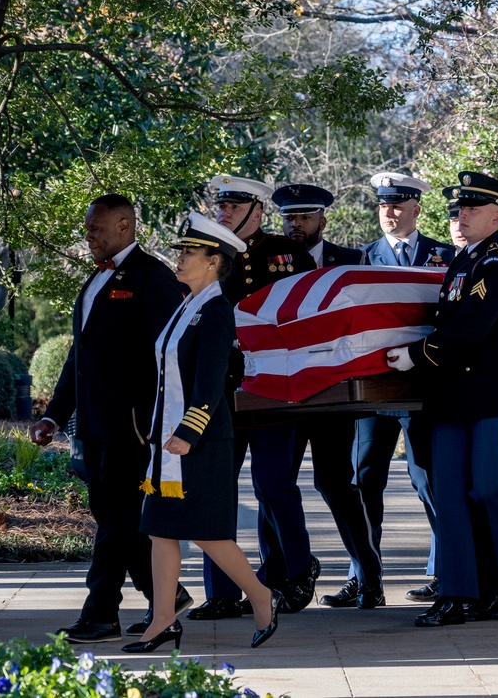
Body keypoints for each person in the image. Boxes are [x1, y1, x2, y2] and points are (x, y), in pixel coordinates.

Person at [29, 193, 188, 644]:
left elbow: (169, 354)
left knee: (115, 521)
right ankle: (169, 597)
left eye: (96, 228)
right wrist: (55, 416)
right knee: (116, 518)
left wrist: (157, 418)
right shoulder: (94, 280)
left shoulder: (152, 277)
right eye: (88, 227)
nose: (88, 235)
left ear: (124, 226)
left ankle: (101, 613)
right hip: (96, 425)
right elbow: (80, 358)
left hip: (132, 426)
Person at [386, 171, 498, 627]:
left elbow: (472, 329)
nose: (461, 216)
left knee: (490, 486)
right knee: (451, 496)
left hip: (495, 396)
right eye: (458, 209)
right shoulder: (460, 264)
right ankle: (459, 592)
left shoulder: (496, 264)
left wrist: (416, 355)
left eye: (471, 209)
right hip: (453, 398)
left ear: (497, 217)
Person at [122, 213, 280, 653]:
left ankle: (263, 596)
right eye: (181, 251)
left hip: (201, 441)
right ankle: (163, 620)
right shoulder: (186, 305)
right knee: (159, 529)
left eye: (189, 252)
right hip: (169, 444)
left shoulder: (214, 310)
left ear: (214, 262)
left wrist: (188, 432)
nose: (180, 257)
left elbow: (212, 381)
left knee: (209, 533)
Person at [188, 175, 319, 621]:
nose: (223, 211)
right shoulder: (209, 256)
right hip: (222, 392)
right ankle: (221, 593)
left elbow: (308, 314)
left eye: (234, 205)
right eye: (220, 205)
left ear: (256, 211)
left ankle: (299, 567)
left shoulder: (288, 253)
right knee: (216, 489)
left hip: (272, 391)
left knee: (273, 485)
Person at [270, 183, 384, 609]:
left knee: (334, 484)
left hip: (333, 393)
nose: (294, 225)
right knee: (275, 484)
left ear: (323, 219)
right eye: (288, 218)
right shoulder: (269, 261)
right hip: (282, 394)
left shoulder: (351, 262)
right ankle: (282, 579)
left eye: (303, 217)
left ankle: (369, 575)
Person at [357, 172, 454, 603]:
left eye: (397, 206)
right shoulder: (360, 259)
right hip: (372, 389)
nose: (389, 213)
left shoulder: (445, 255)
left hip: (423, 383)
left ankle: (448, 571)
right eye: (383, 206)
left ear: (416, 209)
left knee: (428, 479)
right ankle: (364, 577)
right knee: (363, 481)